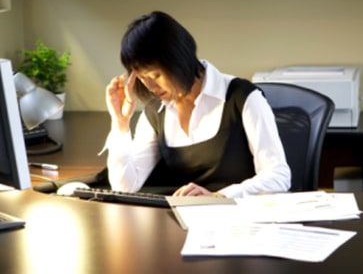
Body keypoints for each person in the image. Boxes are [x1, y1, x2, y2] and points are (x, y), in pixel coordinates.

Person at [103, 11, 290, 198]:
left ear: (178, 60)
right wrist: (120, 123)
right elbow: (125, 188)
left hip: (240, 220)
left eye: (156, 75)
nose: (150, 87)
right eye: (143, 78)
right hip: (182, 222)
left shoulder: (242, 98)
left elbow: (278, 176)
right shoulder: (155, 112)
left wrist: (218, 196)